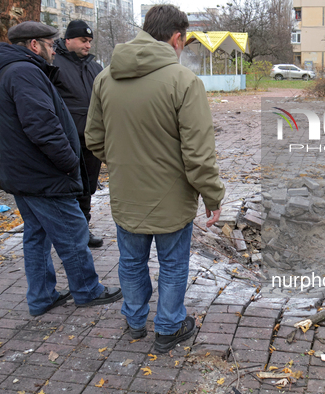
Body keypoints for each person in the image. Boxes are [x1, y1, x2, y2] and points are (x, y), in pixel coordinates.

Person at [85, 5, 225, 353]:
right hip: (171, 198)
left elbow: (94, 138)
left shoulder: (104, 78)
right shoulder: (184, 82)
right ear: (177, 37)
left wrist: (124, 163)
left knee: (131, 261)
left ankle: (134, 322)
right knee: (173, 264)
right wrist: (213, 196)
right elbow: (198, 154)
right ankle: (168, 326)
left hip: (126, 195)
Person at [0, 21, 122, 317]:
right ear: (35, 44)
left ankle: (42, 296)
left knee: (36, 235)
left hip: (25, 174)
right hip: (43, 175)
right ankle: (87, 290)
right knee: (73, 232)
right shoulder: (24, 72)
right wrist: (70, 162)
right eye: (50, 43)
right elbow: (42, 126)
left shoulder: (13, 71)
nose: (53, 49)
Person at [52, 20, 104, 248]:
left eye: (90, 41)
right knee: (70, 188)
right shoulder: (53, 64)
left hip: (92, 139)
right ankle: (70, 234)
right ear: (68, 40)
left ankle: (83, 230)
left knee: (88, 187)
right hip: (67, 139)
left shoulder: (94, 67)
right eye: (83, 40)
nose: (88, 45)